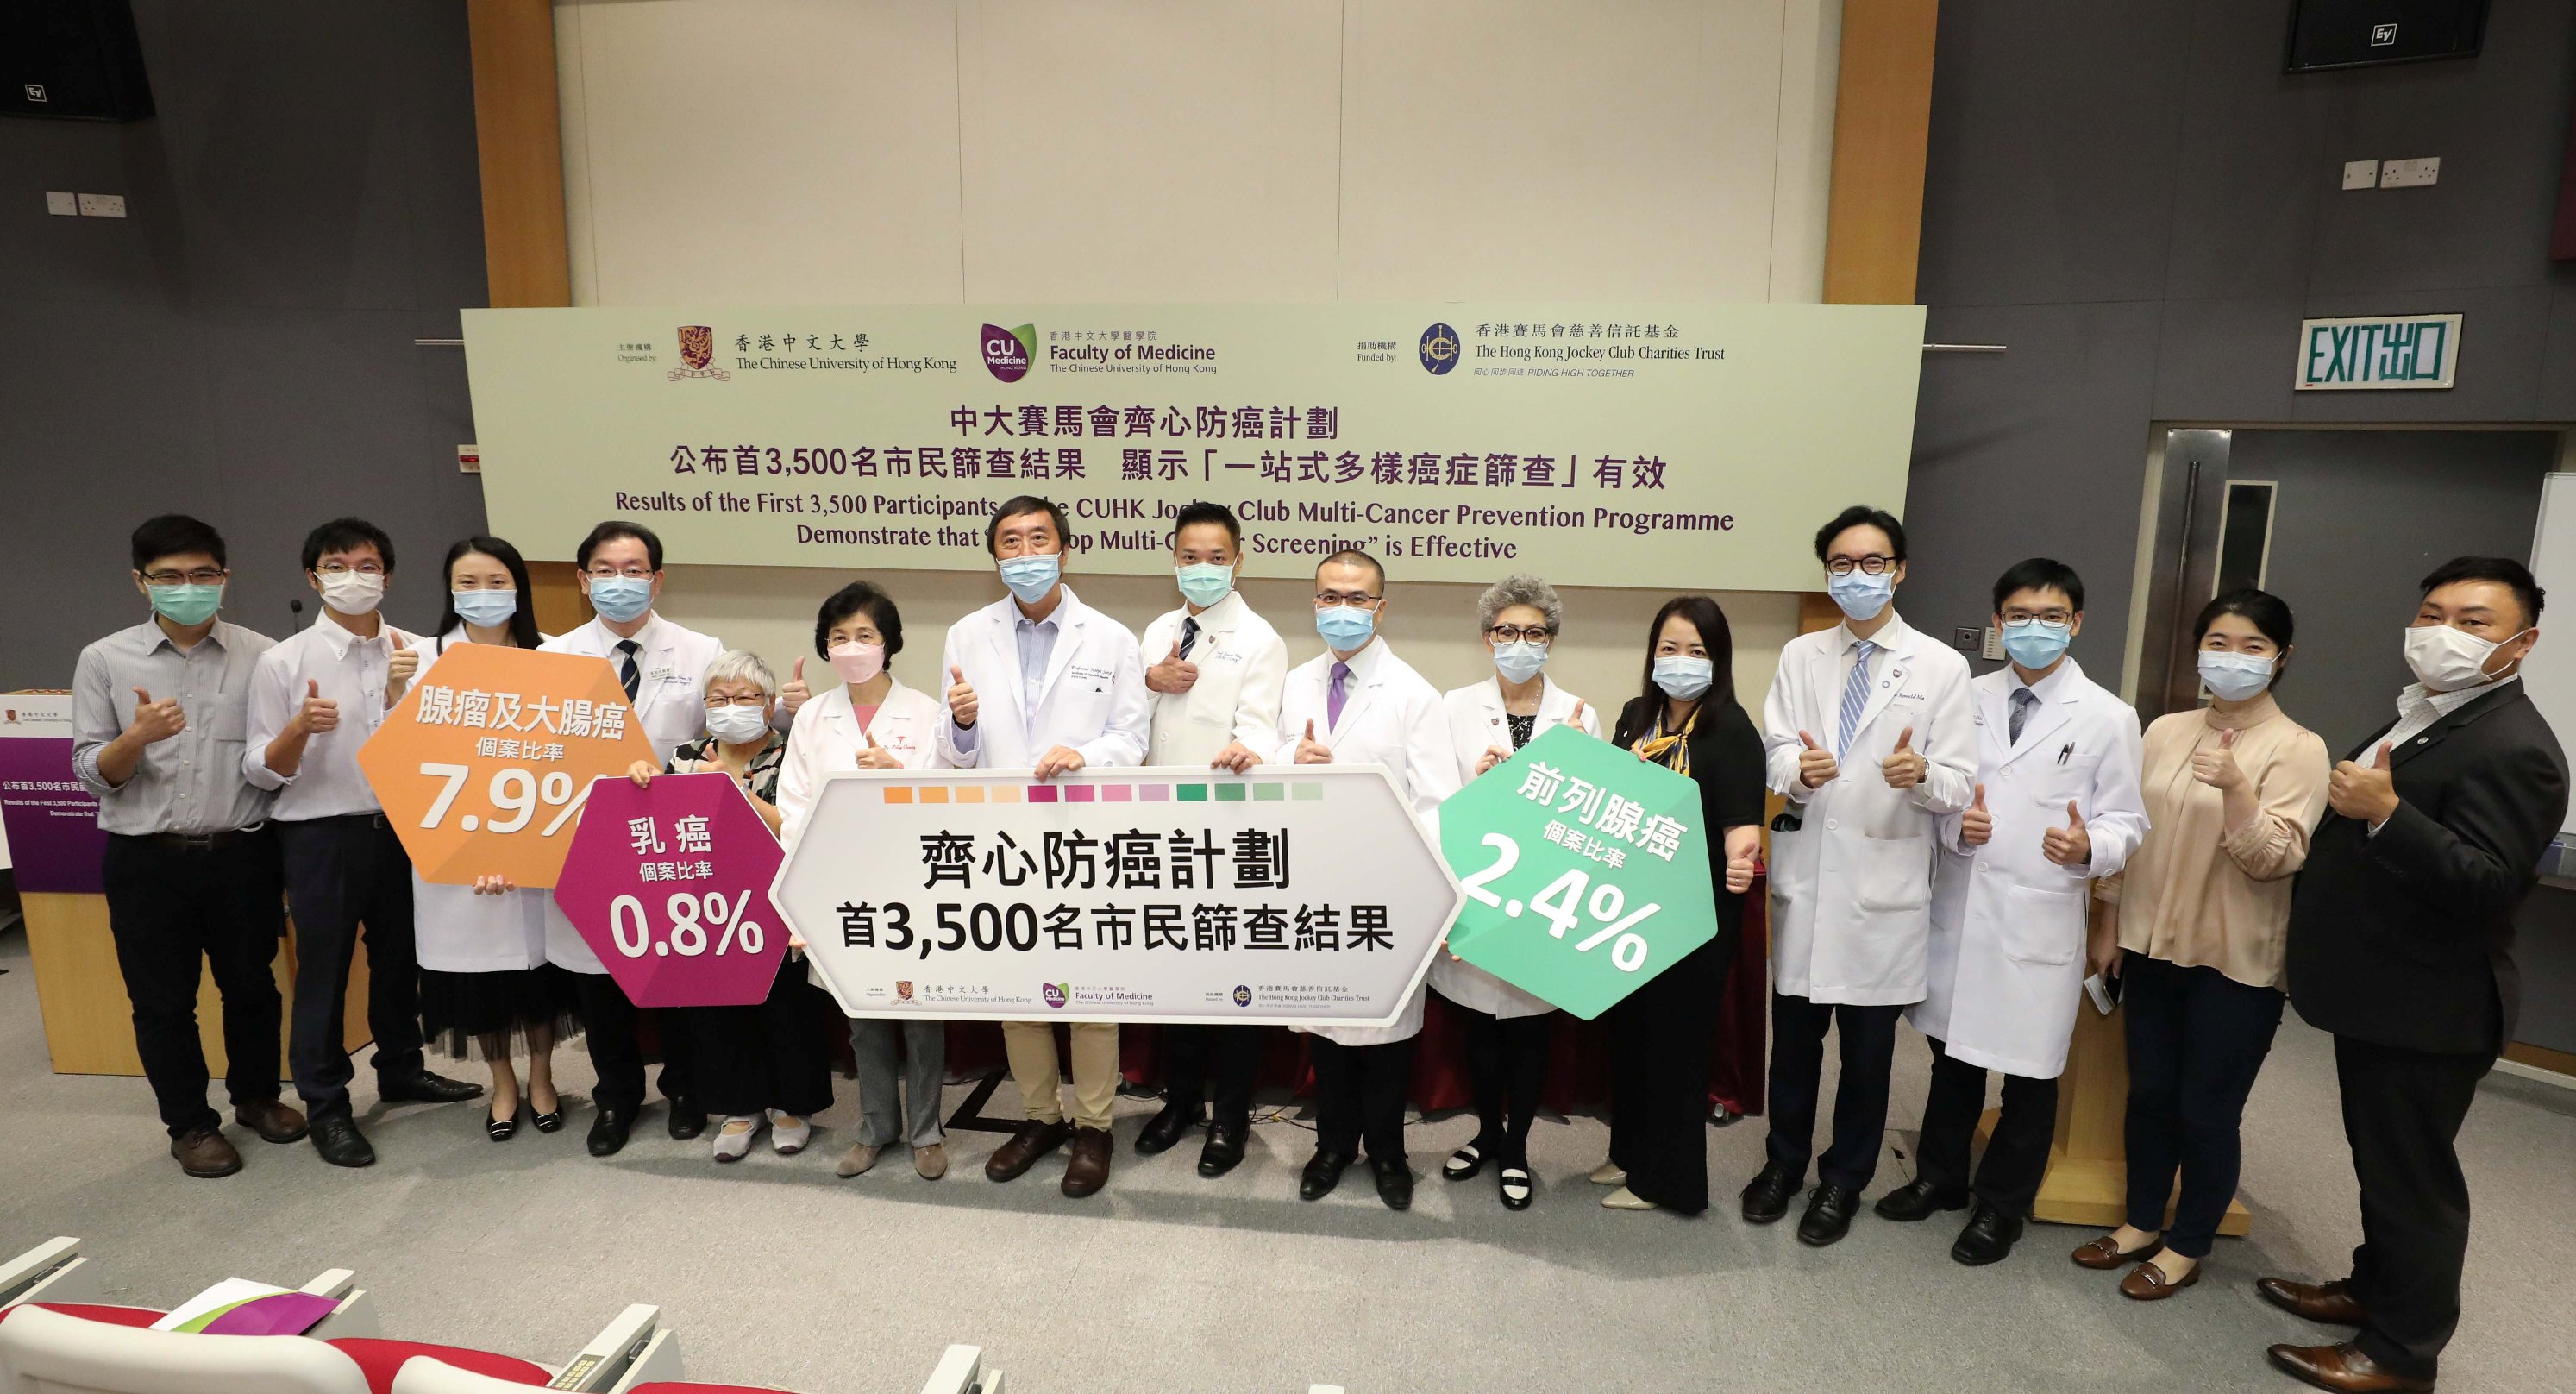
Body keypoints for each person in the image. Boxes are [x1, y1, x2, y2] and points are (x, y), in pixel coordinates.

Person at [2262, 559, 2565, 1394]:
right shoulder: (2434, 715)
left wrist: (2385, 813)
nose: (2442, 631)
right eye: (2431, 612)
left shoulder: (2516, 746)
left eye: (2471, 620)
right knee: (2379, 1159)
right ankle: (2371, 1289)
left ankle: (2400, 1353)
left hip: (2431, 1004)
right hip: (2382, 992)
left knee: (2414, 1183)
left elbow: (2484, 882)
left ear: (2520, 641)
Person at [1877, 559, 2147, 1264]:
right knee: (1951, 1061)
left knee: (2028, 1078)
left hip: (2040, 915)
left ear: (2076, 623)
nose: (2034, 628)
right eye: (2019, 616)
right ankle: (1939, 1180)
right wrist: (1949, 827)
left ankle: (2001, 1207)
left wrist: (2091, 845)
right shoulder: (1962, 697)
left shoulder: (2108, 717)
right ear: (1997, 623)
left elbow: (2128, 821)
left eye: (2051, 616)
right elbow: (1937, 793)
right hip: (1962, 909)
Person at [2068, 589, 2328, 1300]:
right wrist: (2108, 923)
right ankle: (2140, 1222)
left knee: (2206, 1109)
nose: (2231, 658)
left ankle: (2187, 1244)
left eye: (2251, 646)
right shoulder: (2163, 731)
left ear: (2280, 658)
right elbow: (2127, 833)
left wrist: (2239, 789)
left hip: (2233, 963)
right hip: (2150, 946)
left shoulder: (2298, 748)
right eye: (2218, 642)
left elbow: (2273, 858)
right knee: (2148, 1095)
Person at [1748, 505, 1973, 1244]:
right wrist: (1800, 773)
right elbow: (1777, 748)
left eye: (1872, 563)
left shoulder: (1941, 666)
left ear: (1899, 571)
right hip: (1810, 882)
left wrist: (1920, 774)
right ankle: (1782, 1165)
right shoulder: (1799, 655)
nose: (1856, 577)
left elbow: (1959, 782)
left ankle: (1842, 1181)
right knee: (1795, 1049)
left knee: (1867, 1060)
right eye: (1841, 565)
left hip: (1884, 887)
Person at [72, 514, 308, 1177]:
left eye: (202, 575)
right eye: (169, 577)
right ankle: (190, 1125)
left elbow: (273, 759)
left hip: (242, 851)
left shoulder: (264, 655)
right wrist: (135, 738)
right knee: (162, 1000)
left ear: (225, 578)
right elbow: (92, 770)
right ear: (141, 584)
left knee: (252, 985)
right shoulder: (105, 659)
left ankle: (257, 1097)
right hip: (147, 858)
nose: (188, 588)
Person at [245, 518, 481, 1168]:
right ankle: (326, 1105)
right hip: (322, 833)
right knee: (324, 971)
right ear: (313, 576)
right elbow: (259, 768)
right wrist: (298, 729)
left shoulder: (420, 649)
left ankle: (402, 1066)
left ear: (388, 575)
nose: (355, 577)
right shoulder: (284, 661)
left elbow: (449, 745)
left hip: (404, 829)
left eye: (369, 564)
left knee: (402, 960)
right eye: (339, 564)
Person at [936, 495, 1150, 1197]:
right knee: (1018, 987)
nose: (1024, 553)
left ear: (1065, 549)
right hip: (1002, 836)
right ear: (993, 556)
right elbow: (954, 752)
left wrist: (1084, 755)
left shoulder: (1112, 638)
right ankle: (1038, 1117)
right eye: (1009, 541)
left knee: (1089, 992)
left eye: (1038, 539)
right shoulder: (966, 633)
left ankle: (1092, 1127)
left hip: (1086, 833)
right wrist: (963, 727)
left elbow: (1131, 739)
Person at [538, 520, 728, 1157]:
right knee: (600, 984)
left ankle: (683, 1090)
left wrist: (783, 709)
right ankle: (616, 1096)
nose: (621, 582)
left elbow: (724, 739)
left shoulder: (702, 651)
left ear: (658, 579)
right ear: (583, 580)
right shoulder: (551, 659)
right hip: (585, 840)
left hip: (668, 844)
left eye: (634, 569)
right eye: (606, 570)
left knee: (673, 974)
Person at [1276, 549, 1458, 1211]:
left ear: (1380, 609)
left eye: (1356, 599)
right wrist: (1284, 756)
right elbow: (1265, 766)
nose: (1341, 610)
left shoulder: (1414, 694)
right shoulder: (1295, 683)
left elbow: (1439, 805)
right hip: (1310, 888)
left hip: (1388, 893)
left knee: (1386, 1039)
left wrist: (1428, 902)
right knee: (1327, 1031)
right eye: (1329, 597)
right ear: (1314, 603)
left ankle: (1386, 1151)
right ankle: (1331, 1147)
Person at [627, 651, 837, 1163]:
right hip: (707, 907)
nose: (731, 707)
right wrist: (642, 778)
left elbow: (799, 826)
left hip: (777, 905)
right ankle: (740, 1108)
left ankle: (793, 1107)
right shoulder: (686, 754)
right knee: (720, 1010)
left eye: (745, 698)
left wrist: (734, 793)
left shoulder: (793, 752)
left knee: (786, 1009)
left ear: (769, 706)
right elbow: (661, 826)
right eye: (719, 698)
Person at [1131, 502, 1288, 1179]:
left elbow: (1260, 729)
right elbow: (1123, 723)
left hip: (1226, 833)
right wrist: (1148, 681)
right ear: (1173, 559)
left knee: (1234, 979)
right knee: (1174, 972)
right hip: (1156, 833)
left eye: (1214, 557)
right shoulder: (1159, 630)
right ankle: (1179, 1103)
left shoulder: (1260, 639)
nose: (1201, 569)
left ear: (1238, 560)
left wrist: (1243, 749)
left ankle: (1230, 1116)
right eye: (1189, 557)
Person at [1432, 574, 1599, 1211]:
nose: (1519, 643)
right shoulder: (1452, 708)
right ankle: (1485, 1133)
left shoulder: (1580, 715)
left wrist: (1577, 765)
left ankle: (1518, 1148)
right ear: (1486, 639)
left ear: (1550, 641)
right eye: (1507, 631)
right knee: (1477, 1027)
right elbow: (1437, 805)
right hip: (1479, 893)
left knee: (1529, 1031)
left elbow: (1592, 823)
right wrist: (1480, 786)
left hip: (1544, 899)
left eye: (1533, 632)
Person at [775, 581, 951, 1181]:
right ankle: (876, 1126)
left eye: (865, 635)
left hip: (912, 885)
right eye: (839, 637)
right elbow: (793, 802)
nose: (852, 647)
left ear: (890, 643)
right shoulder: (813, 718)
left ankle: (927, 1130)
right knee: (862, 1016)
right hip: (840, 883)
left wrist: (899, 774)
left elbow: (951, 802)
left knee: (921, 1014)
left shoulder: (927, 712)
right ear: (825, 647)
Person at [1595, 596, 1764, 1215]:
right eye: (1669, 648)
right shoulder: (1634, 716)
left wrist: (1743, 855)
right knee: (1632, 1039)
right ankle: (1629, 1154)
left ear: (1717, 661)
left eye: (1697, 651)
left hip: (1694, 916)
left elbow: (1741, 823)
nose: (1680, 661)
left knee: (1675, 1049)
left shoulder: (1732, 730)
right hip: (1625, 906)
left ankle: (1668, 1182)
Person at [408, 537, 578, 1141]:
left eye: (497, 581)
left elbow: (573, 755)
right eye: (469, 582)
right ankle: (502, 1081)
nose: (484, 595)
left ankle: (541, 1075)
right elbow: (404, 764)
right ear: (449, 589)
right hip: (457, 851)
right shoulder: (420, 658)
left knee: (537, 974)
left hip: (535, 840)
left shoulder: (555, 655)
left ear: (519, 588)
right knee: (477, 977)